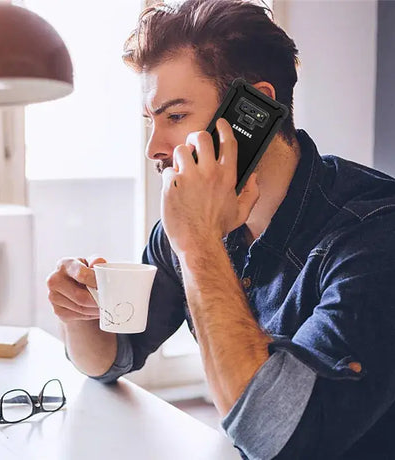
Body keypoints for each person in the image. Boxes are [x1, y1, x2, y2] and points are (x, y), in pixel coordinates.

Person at [46, 1, 395, 458]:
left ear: (253, 110)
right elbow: (112, 359)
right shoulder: (194, 226)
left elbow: (282, 437)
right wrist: (80, 317)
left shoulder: (374, 231)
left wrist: (197, 245)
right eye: (151, 122)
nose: (154, 147)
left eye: (174, 117)